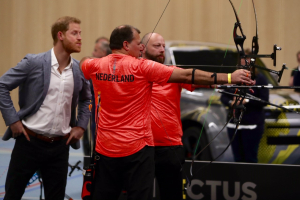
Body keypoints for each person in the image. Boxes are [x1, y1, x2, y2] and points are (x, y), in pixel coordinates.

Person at [80, 25, 254, 200]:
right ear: (126, 45)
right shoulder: (142, 67)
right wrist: (230, 77)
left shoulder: (96, 65)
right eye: (139, 43)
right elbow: (187, 75)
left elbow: (82, 63)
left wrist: (230, 83)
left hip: (114, 150)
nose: (141, 47)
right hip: (137, 151)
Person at [0, 16, 91, 200]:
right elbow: (2, 86)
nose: (80, 37)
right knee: (13, 194)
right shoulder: (33, 62)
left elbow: (86, 99)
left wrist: (81, 126)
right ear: (60, 35)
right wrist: (13, 121)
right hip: (29, 142)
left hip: (60, 146)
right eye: (74, 33)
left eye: (80, 33)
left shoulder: (78, 69)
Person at [141, 32, 210, 200]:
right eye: (157, 46)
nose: (162, 50)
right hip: (140, 148)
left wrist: (232, 80)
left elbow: (201, 79)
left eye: (163, 46)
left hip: (170, 148)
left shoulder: (174, 73)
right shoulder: (134, 73)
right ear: (142, 48)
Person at [220, 50, 269, 163]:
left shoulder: (260, 78)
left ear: (253, 61)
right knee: (237, 158)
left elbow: (264, 100)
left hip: (252, 125)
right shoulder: (233, 77)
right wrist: (231, 103)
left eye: (247, 59)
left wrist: (246, 100)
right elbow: (224, 97)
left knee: (250, 158)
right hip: (234, 124)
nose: (244, 61)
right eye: (242, 58)